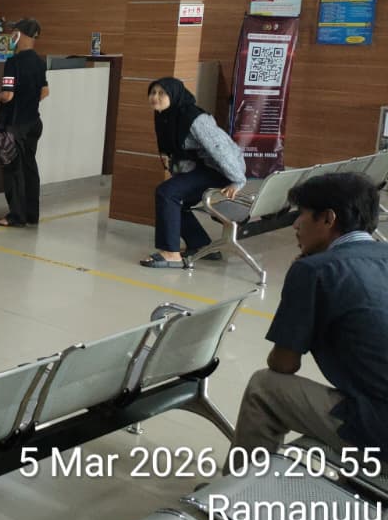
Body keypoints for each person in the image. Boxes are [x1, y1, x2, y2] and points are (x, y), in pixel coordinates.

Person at [232, 173, 388, 454]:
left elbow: (284, 364)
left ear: (328, 219)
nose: (295, 225)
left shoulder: (314, 270)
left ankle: (242, 481)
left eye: (301, 214)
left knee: (264, 387)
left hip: (379, 428)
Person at [140, 77, 246, 268]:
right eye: (153, 92)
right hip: (202, 168)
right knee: (173, 199)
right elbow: (177, 152)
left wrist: (237, 180)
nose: (155, 97)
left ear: (174, 95)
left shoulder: (194, 118)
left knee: (167, 193)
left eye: (162, 93)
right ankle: (201, 246)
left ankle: (171, 254)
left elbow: (221, 149)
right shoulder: (165, 115)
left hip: (221, 169)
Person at [0, 18, 49, 228]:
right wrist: (28, 101)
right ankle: (31, 214)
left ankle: (16, 216)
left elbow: (7, 95)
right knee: (29, 167)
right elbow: (45, 91)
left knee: (13, 170)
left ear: (20, 35)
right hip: (34, 122)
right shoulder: (39, 61)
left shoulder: (13, 63)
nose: (11, 35)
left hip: (15, 125)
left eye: (14, 32)